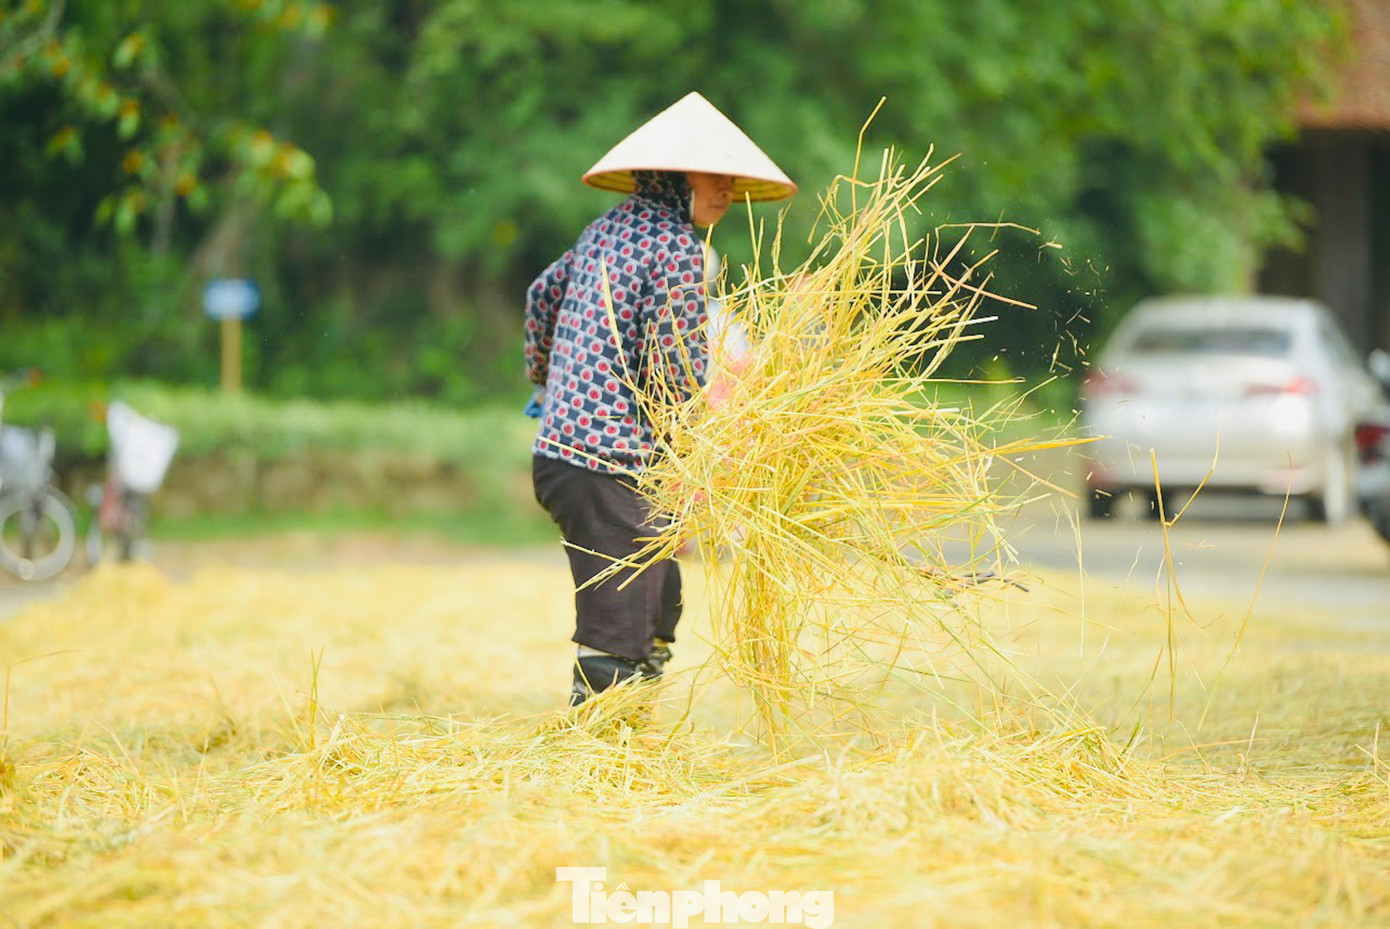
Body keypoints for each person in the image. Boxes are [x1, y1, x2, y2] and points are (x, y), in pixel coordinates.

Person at [523, 91, 796, 706]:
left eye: (732, 179)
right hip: (605, 459)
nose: (726, 190)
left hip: (578, 455)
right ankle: (600, 751)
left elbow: (542, 295)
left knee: (657, 592)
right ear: (674, 177)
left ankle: (631, 726)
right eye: (715, 176)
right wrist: (696, 438)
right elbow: (673, 366)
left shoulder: (607, 228)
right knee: (619, 619)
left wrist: (546, 377)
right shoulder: (676, 246)